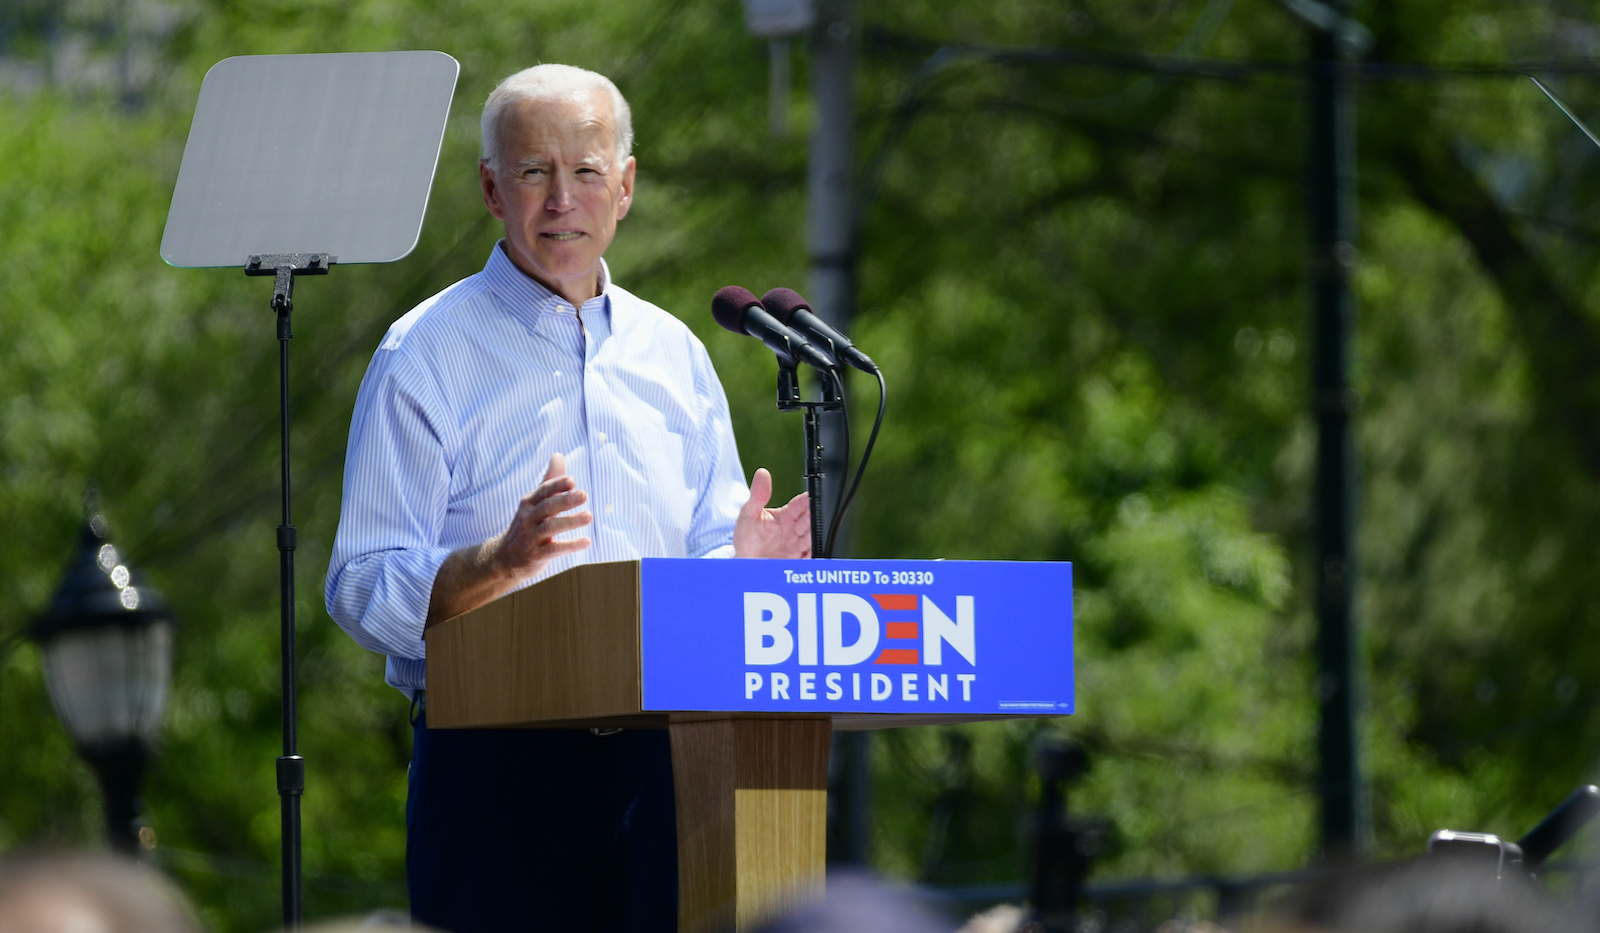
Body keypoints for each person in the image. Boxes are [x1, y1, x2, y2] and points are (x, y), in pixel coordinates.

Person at [324, 63, 810, 933]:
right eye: (532, 172)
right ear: (489, 188)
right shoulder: (422, 354)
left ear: (624, 187)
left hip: (673, 762)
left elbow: (699, 552)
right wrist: (494, 565)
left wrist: (738, 564)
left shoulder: (675, 354)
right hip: (498, 769)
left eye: (585, 172)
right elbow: (360, 583)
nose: (560, 199)